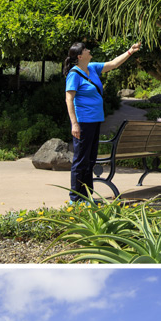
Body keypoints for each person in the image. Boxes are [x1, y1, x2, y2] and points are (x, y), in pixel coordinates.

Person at [64, 41, 142, 202]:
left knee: (90, 159)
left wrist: (130, 51)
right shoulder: (74, 74)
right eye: (86, 50)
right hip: (83, 122)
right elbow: (69, 99)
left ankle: (86, 195)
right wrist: (74, 124)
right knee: (80, 159)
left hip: (95, 120)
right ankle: (75, 197)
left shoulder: (91, 68)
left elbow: (113, 64)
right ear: (79, 56)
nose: (89, 50)